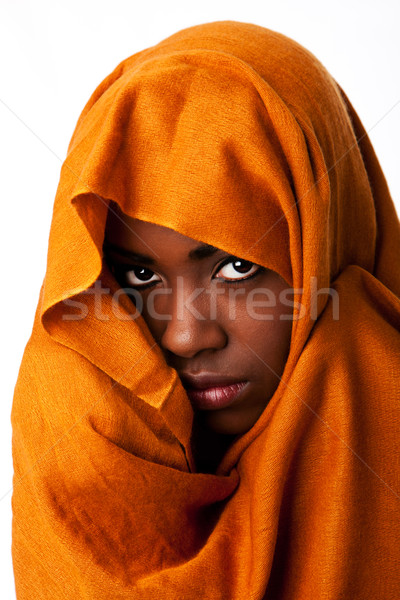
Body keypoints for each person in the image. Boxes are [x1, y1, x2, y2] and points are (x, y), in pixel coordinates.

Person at [11, 20, 400, 599]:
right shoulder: (79, 443)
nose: (187, 336)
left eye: (236, 267)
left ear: (329, 237)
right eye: (140, 274)